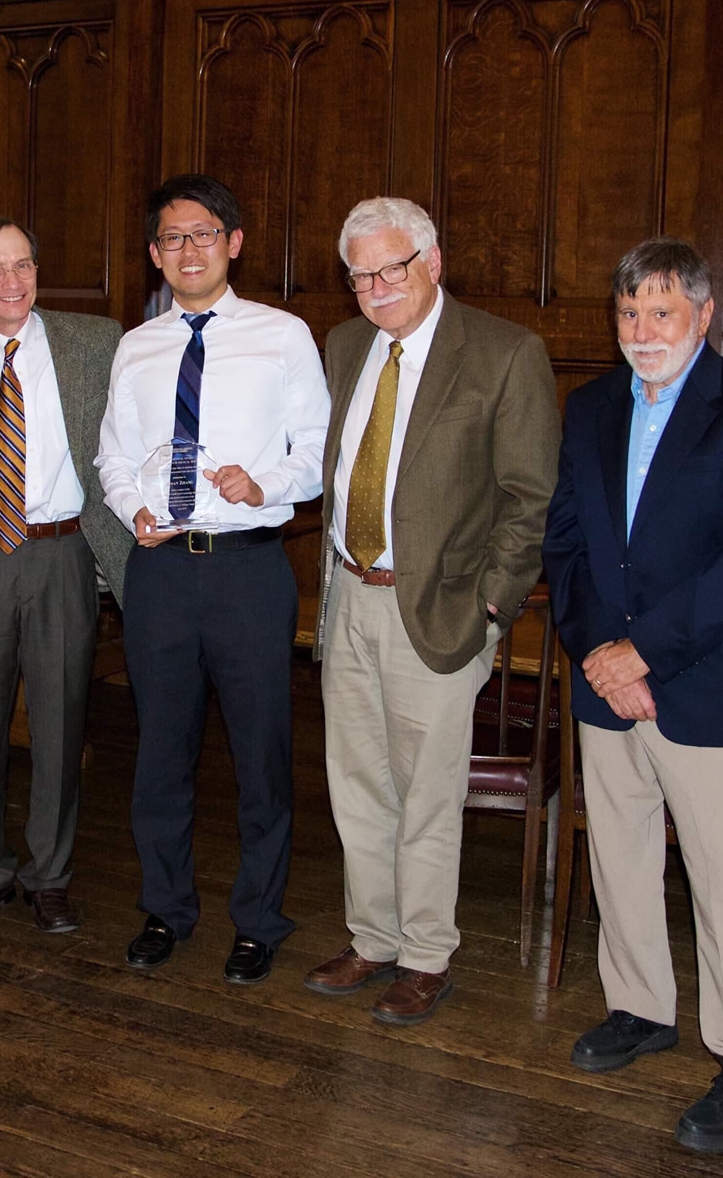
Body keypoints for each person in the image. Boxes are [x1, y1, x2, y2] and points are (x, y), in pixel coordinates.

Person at [542, 236, 723, 1153]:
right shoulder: (590, 407)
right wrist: (597, 651)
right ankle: (641, 1006)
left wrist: (642, 653)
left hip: (707, 683)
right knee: (618, 855)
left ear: (702, 314)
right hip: (606, 682)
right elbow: (565, 543)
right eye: (628, 312)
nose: (643, 329)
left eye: (661, 311)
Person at [302, 197, 558, 1025]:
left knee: (427, 792)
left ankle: (424, 953)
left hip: (440, 607)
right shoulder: (344, 345)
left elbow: (530, 498)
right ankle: (372, 937)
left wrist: (490, 601)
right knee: (358, 783)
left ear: (432, 261)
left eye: (391, 268)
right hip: (349, 595)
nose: (375, 288)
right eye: (360, 275)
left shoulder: (504, 352)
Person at [95, 173, 330, 984]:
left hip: (246, 570)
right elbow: (112, 455)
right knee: (160, 751)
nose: (187, 250)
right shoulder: (139, 345)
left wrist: (262, 484)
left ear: (233, 242)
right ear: (156, 254)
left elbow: (317, 453)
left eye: (202, 234)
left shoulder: (283, 335)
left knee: (262, 754)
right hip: (159, 568)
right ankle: (166, 909)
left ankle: (259, 918)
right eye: (171, 238)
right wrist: (133, 510)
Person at [0, 215, 131, 935]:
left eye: (23, 264)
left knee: (59, 722)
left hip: (64, 549)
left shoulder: (96, 341)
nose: (13, 281)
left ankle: (50, 873)